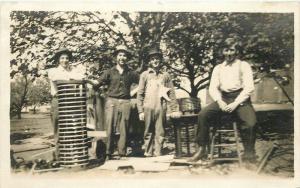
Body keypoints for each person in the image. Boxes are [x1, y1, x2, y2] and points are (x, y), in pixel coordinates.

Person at [188, 37, 257, 163]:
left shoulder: (243, 65)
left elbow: (249, 87)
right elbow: (213, 88)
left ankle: (249, 154)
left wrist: (236, 103)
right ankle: (202, 149)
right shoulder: (218, 68)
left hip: (241, 99)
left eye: (231, 50)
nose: (229, 54)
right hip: (224, 98)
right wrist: (220, 101)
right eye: (226, 50)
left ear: (236, 51)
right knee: (203, 114)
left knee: (251, 123)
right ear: (222, 51)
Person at [90, 45, 139, 160]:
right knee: (109, 127)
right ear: (116, 57)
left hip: (126, 102)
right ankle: (108, 153)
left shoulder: (131, 72)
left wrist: (133, 92)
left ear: (127, 58)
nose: (122, 58)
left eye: (124, 55)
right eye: (120, 55)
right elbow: (98, 83)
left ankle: (122, 153)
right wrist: (90, 82)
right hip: (111, 102)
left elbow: (142, 83)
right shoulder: (109, 72)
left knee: (124, 127)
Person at [137, 47, 181, 157]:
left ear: (160, 60)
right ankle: (148, 152)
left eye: (157, 58)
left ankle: (158, 152)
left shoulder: (165, 75)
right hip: (148, 108)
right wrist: (140, 111)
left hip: (161, 107)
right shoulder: (145, 75)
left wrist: (174, 109)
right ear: (149, 62)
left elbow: (171, 94)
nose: (155, 61)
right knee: (148, 131)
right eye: (152, 59)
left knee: (160, 131)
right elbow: (140, 93)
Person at [47, 48, 86, 161]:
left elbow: (82, 77)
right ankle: (60, 158)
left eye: (67, 58)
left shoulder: (72, 70)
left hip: (70, 103)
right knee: (59, 130)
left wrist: (73, 75)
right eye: (62, 58)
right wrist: (72, 77)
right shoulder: (53, 71)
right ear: (58, 60)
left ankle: (69, 156)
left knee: (70, 130)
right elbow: (58, 80)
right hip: (58, 101)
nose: (65, 60)